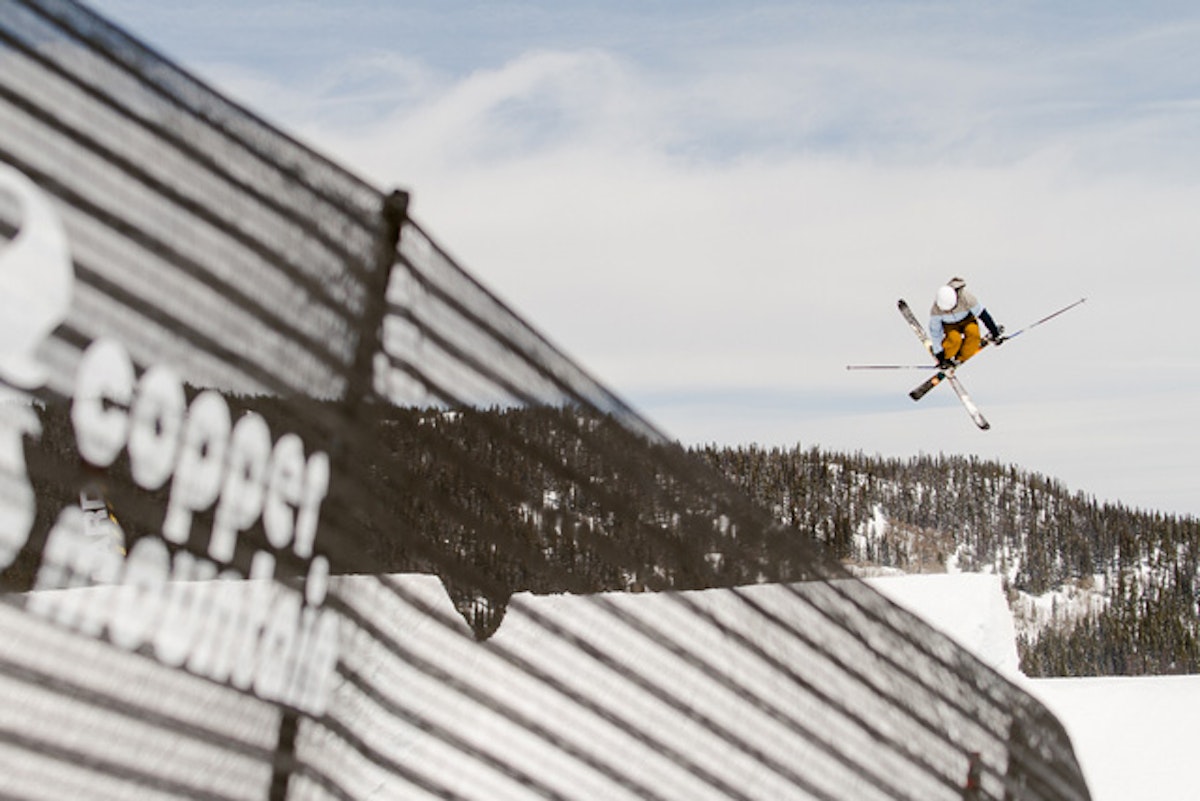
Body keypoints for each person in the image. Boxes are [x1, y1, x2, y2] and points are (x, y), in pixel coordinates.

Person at [929, 277, 1004, 369]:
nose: (948, 311)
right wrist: (939, 354)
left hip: (966, 320)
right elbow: (935, 332)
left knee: (973, 334)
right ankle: (946, 358)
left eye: (951, 308)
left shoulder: (966, 298)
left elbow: (983, 315)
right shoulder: (936, 310)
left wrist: (994, 332)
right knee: (954, 339)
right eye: (945, 310)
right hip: (950, 325)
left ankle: (960, 358)